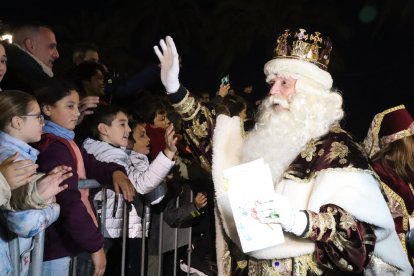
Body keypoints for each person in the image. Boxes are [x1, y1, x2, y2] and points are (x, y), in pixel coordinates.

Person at [154, 30, 413, 274]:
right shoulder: (261, 136)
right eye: (272, 82)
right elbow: (216, 143)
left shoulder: (339, 150)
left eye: (284, 82)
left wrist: (298, 221)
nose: (273, 90)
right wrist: (176, 91)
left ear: (309, 92)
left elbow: (357, 242)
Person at [33, 79, 135, 276]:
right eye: (69, 106)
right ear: (47, 109)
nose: (77, 113)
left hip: (66, 246)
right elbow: (69, 202)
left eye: (77, 107)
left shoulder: (65, 142)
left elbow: (90, 163)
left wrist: (115, 171)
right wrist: (95, 246)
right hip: (58, 250)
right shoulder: (54, 148)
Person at [82, 106, 176, 275]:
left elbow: (154, 196)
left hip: (123, 232)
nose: (128, 129)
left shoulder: (122, 154)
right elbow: (141, 184)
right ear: (103, 129)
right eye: (122, 124)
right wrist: (168, 152)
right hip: (107, 233)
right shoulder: (104, 152)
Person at [0, 90, 72, 276]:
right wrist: (54, 207)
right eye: (38, 117)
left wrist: (38, 190)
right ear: (17, 122)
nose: (43, 122)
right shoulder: (15, 161)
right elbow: (24, 223)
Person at [363, 104, 414, 268]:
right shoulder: (375, 173)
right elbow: (372, 224)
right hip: (388, 258)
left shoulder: (406, 168)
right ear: (401, 144)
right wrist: (410, 223)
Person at [1, 23, 59, 93]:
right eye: (51, 47)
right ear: (31, 45)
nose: (57, 55)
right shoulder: (33, 85)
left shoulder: (14, 76)